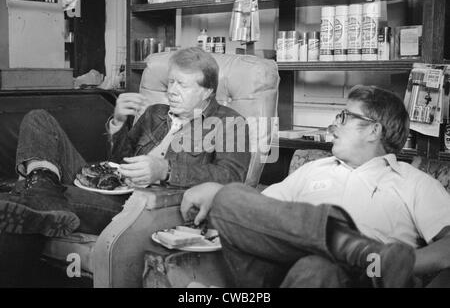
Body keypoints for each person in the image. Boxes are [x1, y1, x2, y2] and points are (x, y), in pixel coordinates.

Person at [180, 85, 450, 288]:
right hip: (283, 271)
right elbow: (260, 215)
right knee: (229, 197)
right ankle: (354, 248)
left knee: (317, 268)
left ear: (373, 130)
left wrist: (386, 263)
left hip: (368, 277)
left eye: (344, 117)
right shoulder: (314, 168)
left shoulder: (412, 182)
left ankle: (362, 254)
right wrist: (217, 193)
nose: (332, 125)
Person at [0, 47, 250, 239]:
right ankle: (42, 190)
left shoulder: (230, 123)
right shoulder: (155, 113)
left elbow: (232, 177)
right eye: (171, 82)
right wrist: (118, 122)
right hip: (112, 188)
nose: (172, 91)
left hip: (145, 207)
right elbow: (119, 162)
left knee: (26, 193)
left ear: (207, 91)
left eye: (182, 85)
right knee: (38, 119)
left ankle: (38, 193)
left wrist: (166, 170)